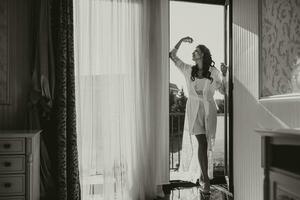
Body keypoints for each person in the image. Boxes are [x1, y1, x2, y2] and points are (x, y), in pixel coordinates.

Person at [169, 36, 227, 195]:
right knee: (201, 143)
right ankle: (206, 180)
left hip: (209, 110)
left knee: (206, 144)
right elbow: (172, 56)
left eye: (196, 51)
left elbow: (223, 91)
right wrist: (181, 40)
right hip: (194, 111)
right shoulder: (189, 70)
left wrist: (224, 74)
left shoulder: (213, 72)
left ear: (202, 55)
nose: (193, 53)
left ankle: (203, 175)